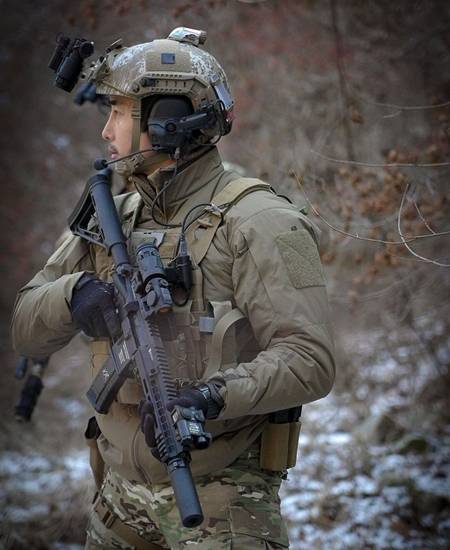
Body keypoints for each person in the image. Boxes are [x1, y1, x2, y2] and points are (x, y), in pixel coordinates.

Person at [11, 27, 335, 549]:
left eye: (118, 112)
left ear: (166, 119)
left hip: (223, 496)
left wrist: (210, 397)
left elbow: (309, 359)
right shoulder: (112, 215)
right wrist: (72, 294)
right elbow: (24, 329)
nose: (105, 131)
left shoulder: (262, 221)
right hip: (116, 495)